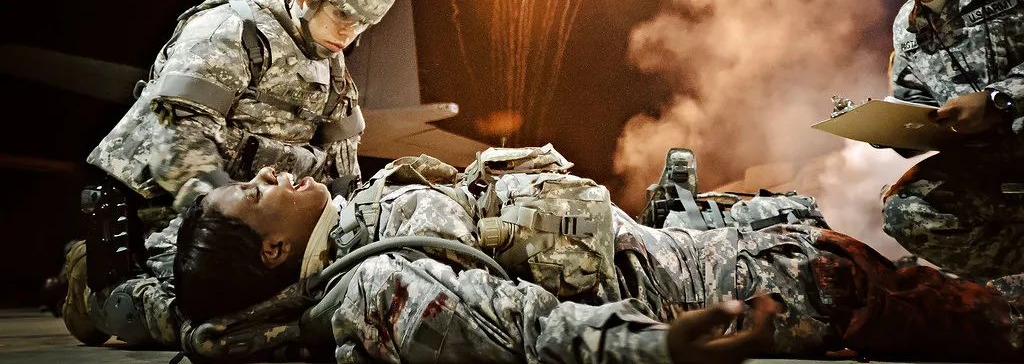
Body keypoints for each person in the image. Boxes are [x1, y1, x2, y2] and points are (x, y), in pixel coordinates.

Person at [173, 153, 1023, 363]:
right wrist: (653, 346)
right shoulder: (378, 281)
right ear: (275, 248)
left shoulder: (356, 232)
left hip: (730, 249)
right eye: (252, 192)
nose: (269, 173)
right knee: (987, 320)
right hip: (769, 283)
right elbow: (520, 328)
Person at [61, 0, 398, 346]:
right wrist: (232, 249)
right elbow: (178, 144)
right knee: (209, 321)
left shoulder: (333, 70)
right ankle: (92, 281)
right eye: (343, 15)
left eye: (363, 23)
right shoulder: (228, 31)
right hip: (183, 214)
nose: (350, 34)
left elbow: (342, 172)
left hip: (263, 233)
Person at [841, 0, 1024, 281]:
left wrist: (999, 99)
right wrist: (893, 129)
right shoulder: (905, 27)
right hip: (993, 166)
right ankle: (1012, 282)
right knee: (906, 210)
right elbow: (917, 104)